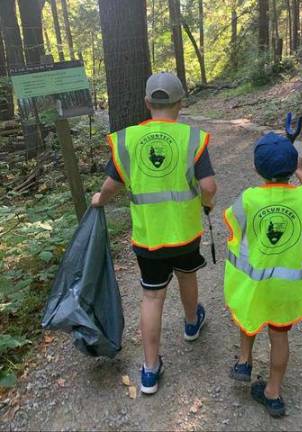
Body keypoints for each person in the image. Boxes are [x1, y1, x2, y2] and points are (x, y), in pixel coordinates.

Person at [91, 72, 217, 395]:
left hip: (148, 238)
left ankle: (149, 370)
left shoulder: (129, 139)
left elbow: (112, 184)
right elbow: (208, 186)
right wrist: (208, 203)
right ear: (180, 103)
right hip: (186, 233)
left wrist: (99, 200)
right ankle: (192, 324)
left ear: (147, 103)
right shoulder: (192, 138)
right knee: (188, 277)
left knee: (152, 296)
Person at [223, 131, 302, 417]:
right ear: (292, 168)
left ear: (257, 168)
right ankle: (273, 393)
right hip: (286, 289)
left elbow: (232, 226)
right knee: (279, 336)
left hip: (255, 284)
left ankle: (244, 361)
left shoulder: (249, 199)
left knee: (249, 318)